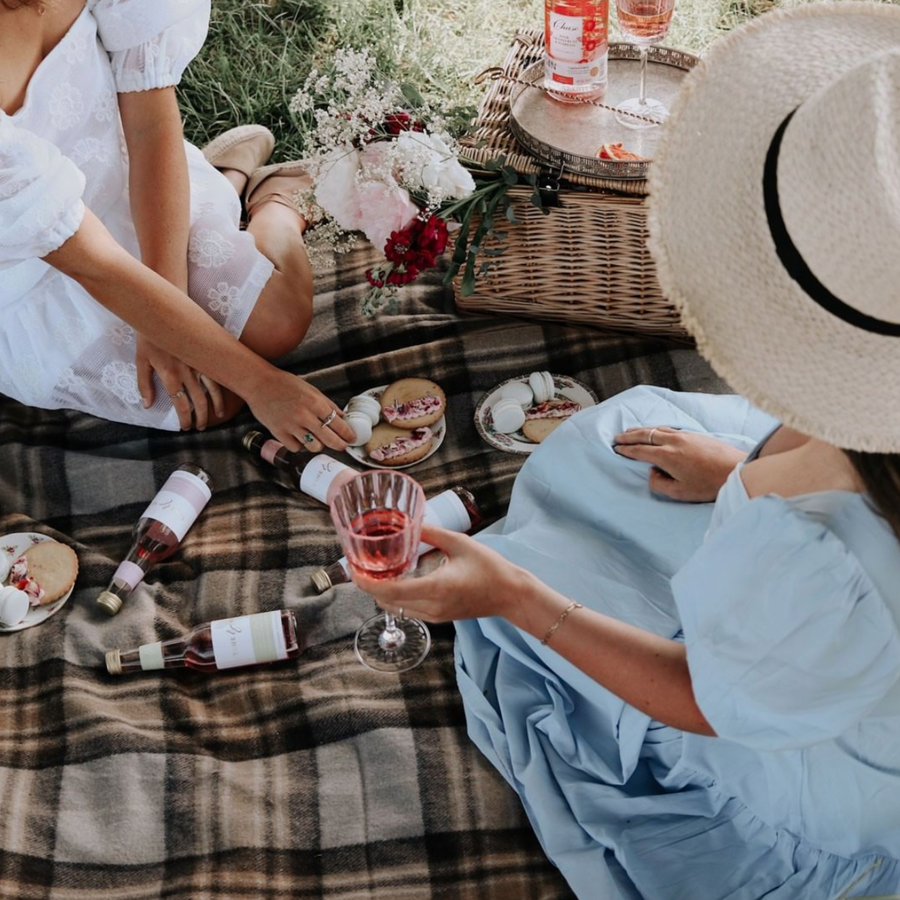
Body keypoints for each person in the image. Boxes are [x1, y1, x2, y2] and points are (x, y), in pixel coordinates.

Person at [357, 4, 900, 898]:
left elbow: (702, 701)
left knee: (530, 581)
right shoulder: (861, 463)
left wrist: (514, 598)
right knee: (611, 443)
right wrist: (742, 475)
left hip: (797, 767)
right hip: (825, 625)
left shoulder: (833, 562)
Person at [0, 0, 354, 453]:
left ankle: (277, 202)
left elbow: (149, 125)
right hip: (37, 270)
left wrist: (169, 312)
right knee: (210, 400)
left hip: (129, 182)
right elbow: (92, 262)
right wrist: (263, 385)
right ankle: (233, 173)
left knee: (279, 322)